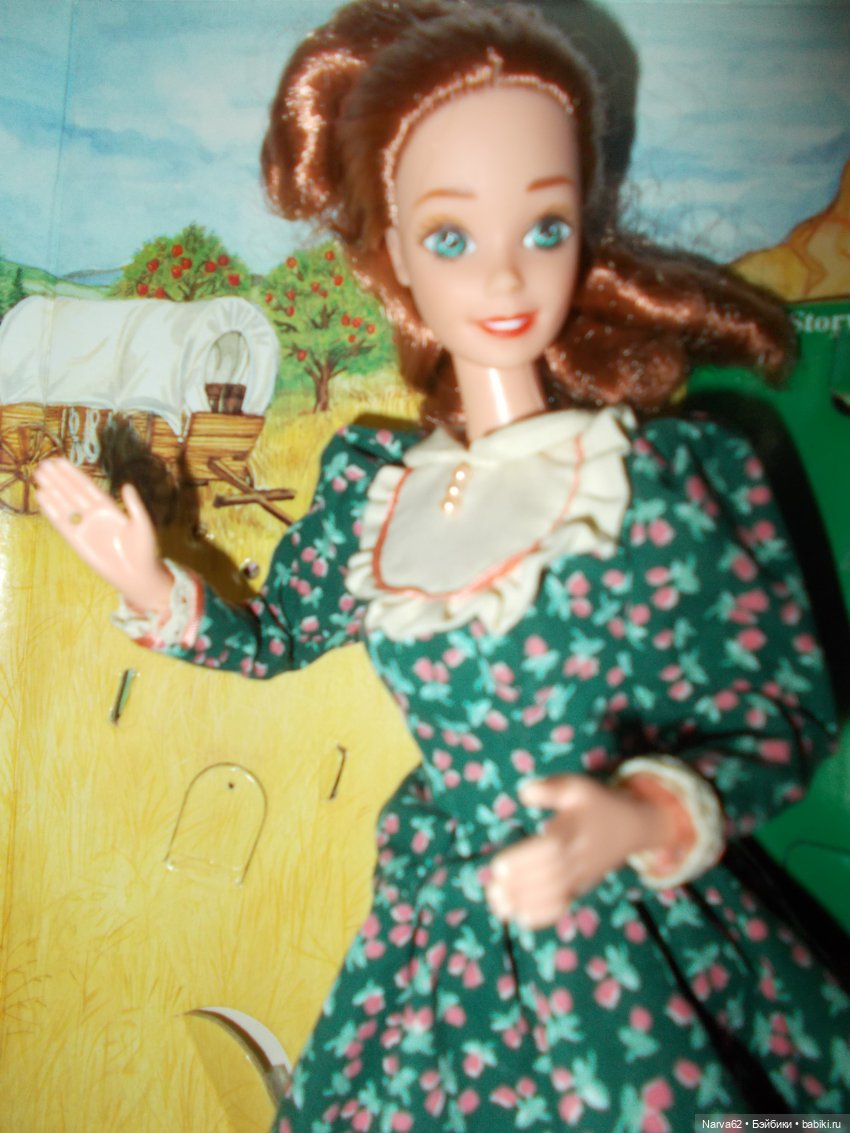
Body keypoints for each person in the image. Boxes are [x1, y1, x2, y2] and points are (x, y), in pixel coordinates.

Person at [35, 2, 849, 1130]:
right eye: (454, 237)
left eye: (546, 227)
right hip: (437, 933)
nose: (506, 276)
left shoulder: (660, 479)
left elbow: (777, 717)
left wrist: (637, 815)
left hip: (627, 934)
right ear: (396, 259)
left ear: (584, 227)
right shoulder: (379, 487)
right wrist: (153, 585)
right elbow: (277, 637)